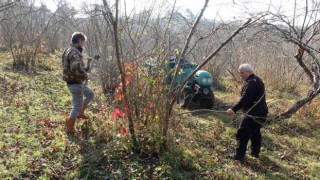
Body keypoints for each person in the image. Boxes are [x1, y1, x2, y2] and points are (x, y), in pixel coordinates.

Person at [226, 64, 268, 161]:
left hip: (253, 113)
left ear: (249, 72)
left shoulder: (252, 82)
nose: (240, 75)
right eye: (240, 72)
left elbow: (245, 98)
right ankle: (255, 152)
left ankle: (239, 156)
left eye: (242, 72)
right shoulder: (256, 80)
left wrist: (233, 109)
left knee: (242, 133)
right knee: (255, 132)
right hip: (261, 112)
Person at [62, 32, 94, 134]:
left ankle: (80, 112)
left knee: (90, 94)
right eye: (83, 42)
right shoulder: (74, 52)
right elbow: (75, 68)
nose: (83, 44)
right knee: (76, 105)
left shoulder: (69, 49)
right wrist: (85, 74)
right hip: (75, 83)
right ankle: (70, 127)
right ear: (79, 41)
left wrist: (87, 67)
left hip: (75, 81)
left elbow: (77, 67)